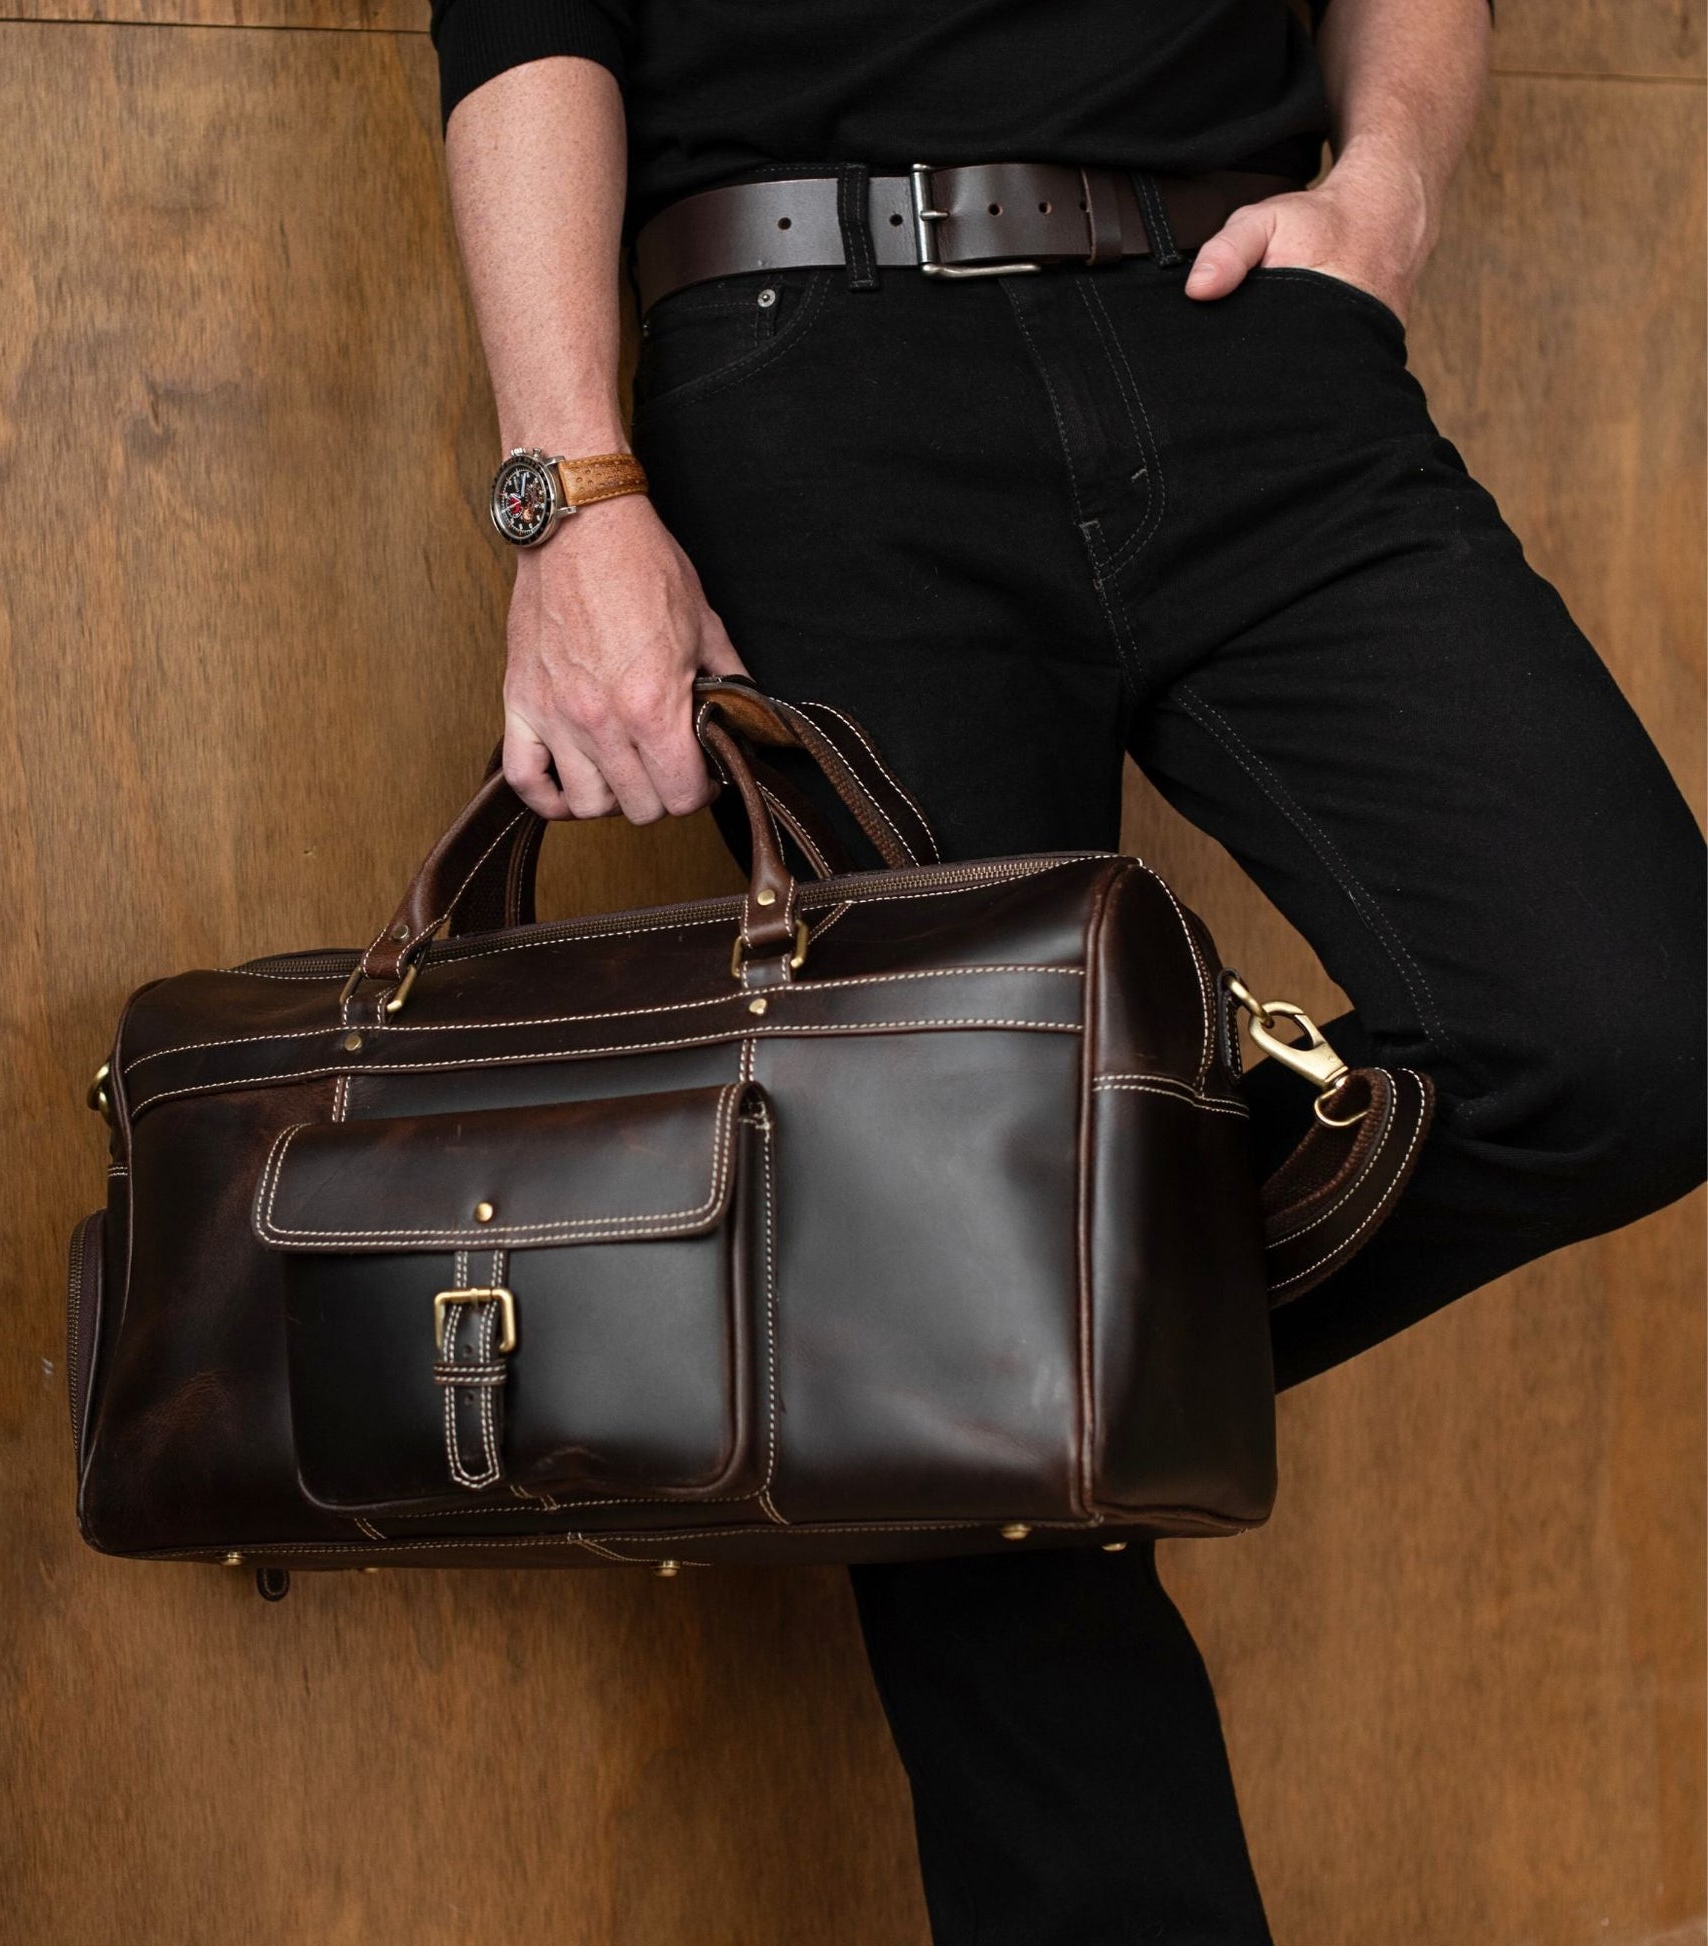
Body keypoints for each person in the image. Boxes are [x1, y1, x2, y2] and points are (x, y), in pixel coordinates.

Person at [427, 3, 1708, 1937]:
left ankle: (870, 1340)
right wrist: (571, 488)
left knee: (1629, 1028)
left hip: (1248, 336)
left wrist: (1387, 188)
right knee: (936, 1274)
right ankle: (903, 1339)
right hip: (813, 361)